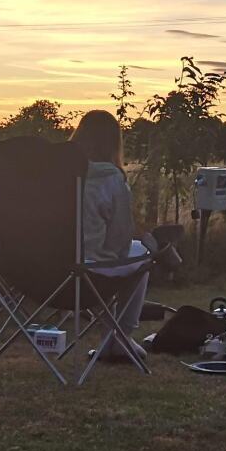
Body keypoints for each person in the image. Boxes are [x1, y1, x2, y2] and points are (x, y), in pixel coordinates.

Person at [70, 109, 151, 362]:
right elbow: (120, 241)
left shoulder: (53, 175)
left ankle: (111, 338)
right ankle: (120, 336)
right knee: (142, 253)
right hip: (88, 270)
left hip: (46, 271)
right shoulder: (111, 178)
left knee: (121, 258)